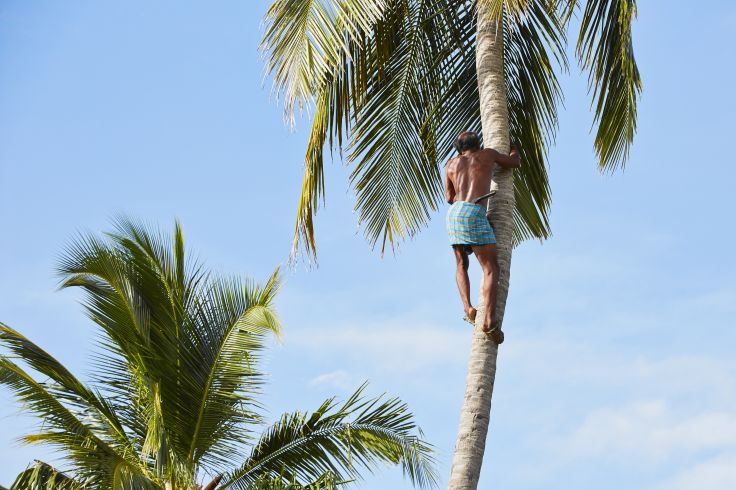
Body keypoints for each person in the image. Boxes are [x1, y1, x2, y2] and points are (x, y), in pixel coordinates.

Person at [444, 131, 521, 344]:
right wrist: (513, 145)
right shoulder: (487, 154)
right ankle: (488, 321)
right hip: (474, 210)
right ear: (478, 144)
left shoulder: (450, 164)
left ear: (459, 149)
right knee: (491, 269)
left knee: (461, 264)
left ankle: (468, 307)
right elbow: (514, 162)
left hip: (455, 213)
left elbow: (449, 197)